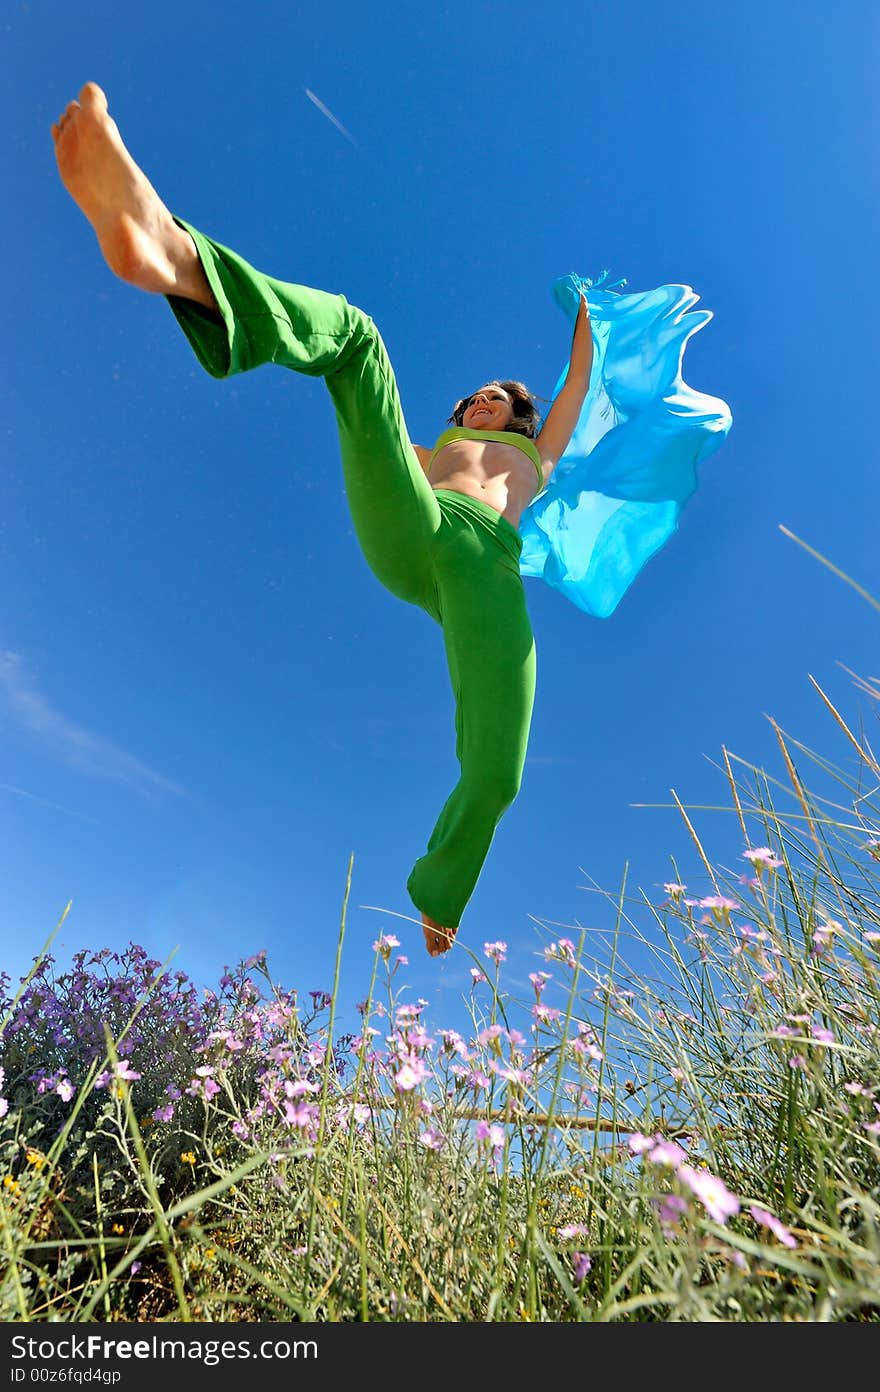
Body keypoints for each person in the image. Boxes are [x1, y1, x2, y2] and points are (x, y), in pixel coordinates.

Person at [51, 82, 594, 960]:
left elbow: (573, 389)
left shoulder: (540, 457)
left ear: (517, 419)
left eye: (499, 397)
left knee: (498, 768)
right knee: (357, 339)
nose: (484, 399)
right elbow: (378, 448)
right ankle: (175, 259)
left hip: (488, 576)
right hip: (417, 525)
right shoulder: (429, 451)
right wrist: (415, 452)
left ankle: (440, 891)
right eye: (476, 394)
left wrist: (586, 322)